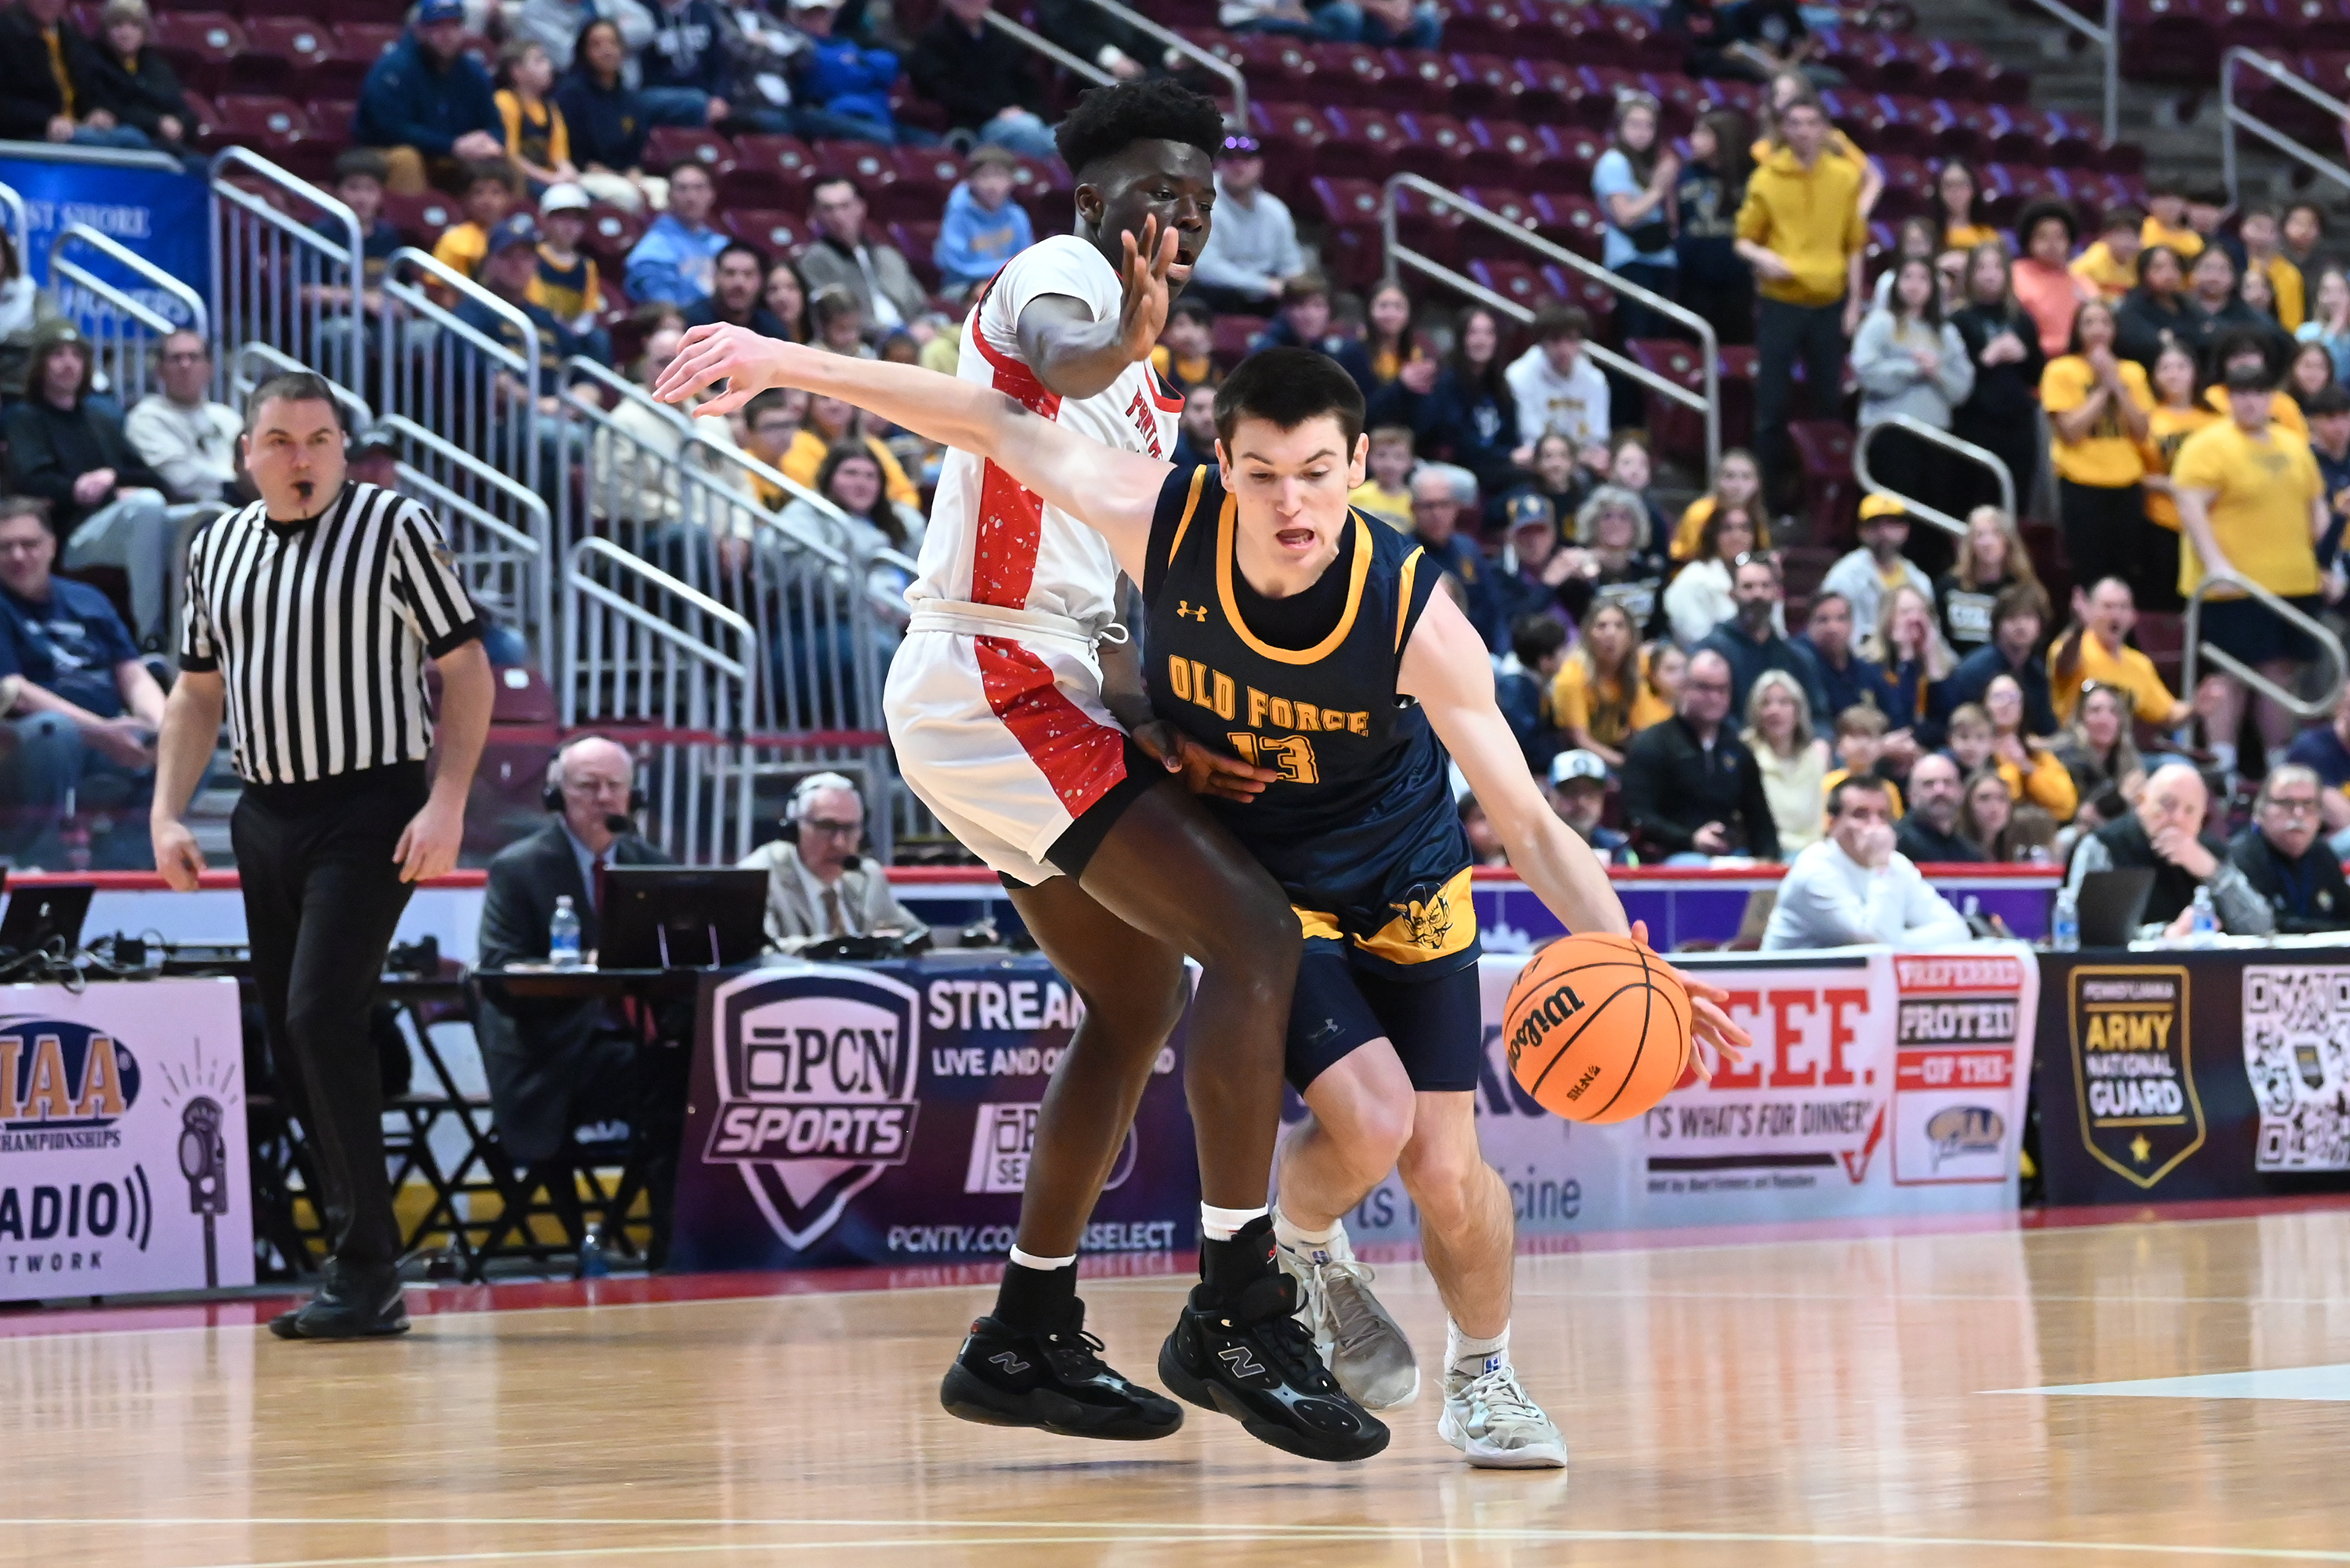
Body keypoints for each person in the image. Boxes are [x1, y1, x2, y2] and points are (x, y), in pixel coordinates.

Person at [660, 317, 1752, 1464]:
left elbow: (1527, 820)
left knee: (1443, 1164)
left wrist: (1637, 959)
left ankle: (1479, 1368)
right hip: (1276, 891)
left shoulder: (1416, 615)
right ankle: (1284, 1252)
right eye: (1265, 474)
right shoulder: (1158, 515)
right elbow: (988, 419)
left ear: (1360, 468)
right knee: (1372, 1120)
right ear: (1220, 465)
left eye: (1319, 475)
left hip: (1410, 877)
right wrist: (788, 364)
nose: (1292, 504)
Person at [658, 82, 1379, 1461]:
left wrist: (1165, 722)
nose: (1181, 218)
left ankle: (1023, 1332)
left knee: (1132, 996)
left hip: (1038, 690)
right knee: (1251, 938)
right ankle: (1237, 1299)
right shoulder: (1066, 282)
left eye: (1202, 201)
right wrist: (1123, 328)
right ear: (1097, 199)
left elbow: (1109, 611)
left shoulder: (1157, 399)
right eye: (1158, 192)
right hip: (988, 677)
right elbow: (1058, 352)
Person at [152, 373, 492, 1339]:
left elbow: (464, 666)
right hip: (265, 814)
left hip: (371, 806)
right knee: (298, 1038)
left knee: (318, 1012)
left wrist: (448, 802)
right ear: (245, 453)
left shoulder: (394, 527)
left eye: (319, 439)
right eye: (280, 441)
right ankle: (356, 1255)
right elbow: (196, 692)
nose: (301, 459)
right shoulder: (214, 546)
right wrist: (167, 814)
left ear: (345, 447)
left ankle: (366, 1266)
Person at [473, 735, 688, 1254]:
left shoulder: (654, 866)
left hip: (639, 1044)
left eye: (615, 786)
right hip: (552, 1054)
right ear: (555, 796)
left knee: (701, 1071)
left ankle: (688, 1238)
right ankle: (670, 1243)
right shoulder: (519, 868)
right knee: (673, 1084)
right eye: (587, 786)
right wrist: (585, 966)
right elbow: (500, 972)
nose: (604, 798)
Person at [2171, 359, 2330, 775]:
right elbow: (2189, 506)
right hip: (2235, 587)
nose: (2251, 402)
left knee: (2278, 673)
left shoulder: (2293, 444)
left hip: (2292, 583)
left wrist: (2328, 564)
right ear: (2229, 398)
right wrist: (2217, 565)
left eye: (2259, 392)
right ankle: (2222, 761)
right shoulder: (2207, 444)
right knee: (2233, 674)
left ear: (2272, 397)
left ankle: (2279, 761)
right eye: (2241, 393)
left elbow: (2316, 506)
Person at [0, 497, 165, 867]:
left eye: (29, 544)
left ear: (52, 546)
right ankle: (39, 860)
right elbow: (15, 693)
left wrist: (161, 725)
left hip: (106, 738)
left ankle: (126, 862)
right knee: (52, 729)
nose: (18, 556)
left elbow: (131, 670)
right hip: (24, 746)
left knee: (185, 743)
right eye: (5, 547)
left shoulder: (87, 598)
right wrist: (104, 732)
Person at [3, 323, 180, 647]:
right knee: (147, 507)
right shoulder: (24, 418)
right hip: (72, 534)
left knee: (203, 516)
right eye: (57, 355)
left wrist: (109, 478)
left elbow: (154, 479)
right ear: (40, 364)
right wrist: (105, 492)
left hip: (122, 520)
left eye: (76, 355)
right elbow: (36, 482)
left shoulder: (103, 418)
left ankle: (199, 637)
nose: (68, 363)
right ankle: (151, 637)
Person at [1737, 96, 1867, 504]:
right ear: (1783, 129)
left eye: (1812, 123)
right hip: (1782, 301)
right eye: (1795, 123)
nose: (1804, 131)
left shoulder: (1846, 177)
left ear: (1825, 129)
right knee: (1772, 404)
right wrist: (1763, 257)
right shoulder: (1766, 178)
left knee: (1827, 404)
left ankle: (1822, 495)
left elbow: (1855, 244)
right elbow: (1743, 240)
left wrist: (1854, 303)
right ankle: (1770, 499)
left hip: (1829, 301)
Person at [2065, 762, 2272, 938]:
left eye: (2190, 810)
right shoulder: (2104, 845)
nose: (2177, 818)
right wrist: (2165, 935)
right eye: (2167, 805)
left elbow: (2261, 928)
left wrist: (2213, 872)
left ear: (2202, 818)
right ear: (2142, 802)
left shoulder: (2210, 852)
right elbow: (2079, 929)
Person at [1762, 774, 1969, 949]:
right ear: (1832, 823)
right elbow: (1875, 945)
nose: (1875, 825)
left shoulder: (1896, 864)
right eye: (1861, 815)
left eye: (1882, 815)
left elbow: (1957, 930)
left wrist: (1895, 941)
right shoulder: (1814, 870)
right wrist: (1880, 867)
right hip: (1788, 988)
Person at [1621, 647, 1780, 862]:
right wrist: (1690, 839)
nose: (1714, 698)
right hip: (1669, 855)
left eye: (1722, 690)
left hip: (1729, 856)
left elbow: (1760, 820)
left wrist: (1769, 860)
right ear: (1684, 688)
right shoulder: (1653, 744)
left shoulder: (1737, 750)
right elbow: (1638, 817)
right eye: (1704, 688)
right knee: (1693, 864)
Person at [737, 771, 927, 948]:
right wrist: (851, 949)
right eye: (826, 827)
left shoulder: (866, 876)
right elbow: (761, 953)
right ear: (794, 830)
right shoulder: (758, 878)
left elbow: (917, 937)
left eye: (850, 828)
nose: (839, 842)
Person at [2043, 298, 2153, 599]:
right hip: (2081, 484)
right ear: (2077, 330)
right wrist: (2104, 387)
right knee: (2088, 572)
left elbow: (2142, 431)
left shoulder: (2133, 372)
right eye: (2089, 323)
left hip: (2127, 484)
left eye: (2105, 322)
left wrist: (2118, 385)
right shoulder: (2061, 370)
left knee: (2126, 572)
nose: (2098, 330)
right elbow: (2070, 433)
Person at [1853, 255, 1975, 511]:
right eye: (1907, 277)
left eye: (1923, 278)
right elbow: (1865, 372)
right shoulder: (1879, 323)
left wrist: (1937, 371)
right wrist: (1912, 369)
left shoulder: (1946, 333)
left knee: (1933, 511)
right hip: (1890, 432)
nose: (1914, 285)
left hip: (1936, 435)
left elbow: (1962, 387)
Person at [352, 0, 506, 197]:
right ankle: (411, 225)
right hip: (384, 151)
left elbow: (493, 123)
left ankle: (505, 226)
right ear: (419, 30)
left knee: (500, 160)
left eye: (454, 26)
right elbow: (390, 128)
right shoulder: (394, 68)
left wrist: (489, 143)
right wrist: (452, 146)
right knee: (406, 159)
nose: (447, 35)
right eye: (438, 27)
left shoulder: (473, 72)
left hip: (450, 152)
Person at [1373, 304, 1521, 500]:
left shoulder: (1500, 386)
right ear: (1461, 339)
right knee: (1469, 482)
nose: (1481, 341)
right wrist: (1506, 457)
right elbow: (1458, 442)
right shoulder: (1445, 382)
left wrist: (1516, 455)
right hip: (1449, 464)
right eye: (1473, 333)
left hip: (1491, 463)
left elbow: (1510, 434)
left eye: (1488, 334)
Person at [1948, 243, 2048, 520]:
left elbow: (2038, 374)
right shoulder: (1959, 319)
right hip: (1975, 422)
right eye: (1981, 268)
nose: (1990, 275)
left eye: (1996, 268)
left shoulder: (2021, 318)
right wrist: (1986, 359)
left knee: (2015, 499)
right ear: (1970, 275)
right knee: (1976, 499)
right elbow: (1953, 377)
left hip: (2017, 423)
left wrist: (2025, 355)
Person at [908, 0, 1058, 160]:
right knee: (1028, 130)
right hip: (973, 127)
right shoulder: (934, 39)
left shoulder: (1004, 36)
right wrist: (997, 112)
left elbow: (1028, 84)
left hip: (1020, 118)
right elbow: (946, 93)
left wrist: (1030, 112)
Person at [1695, 552, 1830, 721]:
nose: (1758, 594)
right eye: (1748, 587)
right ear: (1732, 595)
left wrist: (1821, 742)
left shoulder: (1797, 658)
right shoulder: (1711, 652)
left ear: (1777, 593)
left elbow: (1820, 718)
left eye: (1765, 586)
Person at [2048, 576, 2193, 728]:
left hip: (2117, 749)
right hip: (2074, 746)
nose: (2116, 615)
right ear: (2090, 610)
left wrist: (2197, 707)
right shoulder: (2073, 647)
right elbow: (2065, 664)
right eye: (2108, 606)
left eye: (2123, 607)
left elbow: (2169, 714)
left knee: (2172, 754)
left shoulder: (2139, 663)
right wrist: (2079, 629)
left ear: (2133, 616)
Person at [0, 0, 148, 148]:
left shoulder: (70, 35)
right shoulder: (6, 32)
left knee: (131, 136)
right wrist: (46, 121)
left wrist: (97, 111)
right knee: (131, 141)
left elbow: (95, 85)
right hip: (31, 136)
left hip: (78, 129)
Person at [1593, 92, 1679, 341]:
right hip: (1631, 261)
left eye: (1649, 126)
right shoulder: (1614, 162)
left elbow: (1671, 223)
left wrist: (1667, 188)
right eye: (1634, 124)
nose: (1642, 132)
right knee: (1636, 336)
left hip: (1662, 258)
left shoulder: (1653, 164)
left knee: (1658, 337)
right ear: (1619, 127)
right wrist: (1657, 189)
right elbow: (1625, 216)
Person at [553, 16, 663, 214]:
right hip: (586, 174)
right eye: (597, 45)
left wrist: (634, 175)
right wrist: (617, 177)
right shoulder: (570, 95)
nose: (607, 50)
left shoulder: (630, 98)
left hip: (625, 177)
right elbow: (573, 151)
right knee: (626, 195)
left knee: (663, 193)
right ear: (585, 52)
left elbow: (635, 152)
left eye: (613, 43)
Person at [2135, 340, 2214, 612]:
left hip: (2208, 523)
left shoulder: (2214, 420)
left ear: (2195, 373)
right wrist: (2170, 485)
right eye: (2166, 368)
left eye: (2182, 366)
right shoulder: (2147, 419)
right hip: (2161, 523)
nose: (2174, 374)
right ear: (2155, 376)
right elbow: (2135, 473)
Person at [797, 175, 929, 335]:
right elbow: (837, 321)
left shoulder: (888, 255)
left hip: (912, 337)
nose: (838, 216)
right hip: (867, 344)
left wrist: (928, 326)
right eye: (828, 209)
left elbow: (921, 308)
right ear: (814, 214)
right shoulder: (814, 261)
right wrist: (901, 334)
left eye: (845, 206)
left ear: (861, 207)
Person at [1188, 133, 1303, 316]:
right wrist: (1265, 285)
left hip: (1267, 299)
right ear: (1218, 164)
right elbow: (1204, 268)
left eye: (1247, 159)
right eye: (1230, 160)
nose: (1238, 167)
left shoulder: (1275, 210)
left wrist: (1298, 290)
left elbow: (1291, 267)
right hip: (1213, 295)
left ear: (1260, 165)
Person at [124, 332, 241, 507]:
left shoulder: (228, 417)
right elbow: (182, 479)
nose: (185, 365)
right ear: (160, 370)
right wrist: (242, 485)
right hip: (190, 513)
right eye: (176, 358)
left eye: (194, 357)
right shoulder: (146, 418)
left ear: (210, 368)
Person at [2229, 764, 2350, 931]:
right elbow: (2265, 925)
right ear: (2260, 810)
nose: (2299, 813)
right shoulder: (2243, 856)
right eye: (2286, 803)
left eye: (2309, 804)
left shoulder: (2322, 854)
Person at [1675, 108, 1755, 348]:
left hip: (1737, 281)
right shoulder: (1686, 173)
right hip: (1692, 281)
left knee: (1735, 348)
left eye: (1702, 134)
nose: (1693, 140)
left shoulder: (1751, 175)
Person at [1938, 582, 2059, 742]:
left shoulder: (2036, 671)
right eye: (2012, 617)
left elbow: (2047, 728)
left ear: (2041, 626)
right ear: (1997, 625)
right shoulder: (1975, 671)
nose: (2020, 625)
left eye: (2028, 617)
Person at [1820, 494, 1934, 651]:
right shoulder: (1844, 576)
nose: (1883, 532)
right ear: (1861, 532)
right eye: (1874, 525)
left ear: (1905, 530)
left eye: (1891, 524)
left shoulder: (1919, 580)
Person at [1557, 485, 1669, 638]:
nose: (1615, 523)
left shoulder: (1650, 573)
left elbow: (1660, 628)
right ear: (1593, 523)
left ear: (1636, 526)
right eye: (1607, 516)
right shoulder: (1577, 575)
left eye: (1624, 517)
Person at [84, 0, 193, 157]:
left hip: (166, 145)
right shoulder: (94, 63)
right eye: (118, 25)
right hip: (126, 146)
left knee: (202, 166)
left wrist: (180, 123)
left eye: (135, 25)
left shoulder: (157, 66)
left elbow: (184, 109)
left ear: (145, 31)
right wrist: (158, 122)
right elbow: (114, 109)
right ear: (106, 30)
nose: (126, 33)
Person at [1549, 600, 1646, 768]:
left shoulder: (1634, 672)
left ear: (1631, 636)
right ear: (1587, 634)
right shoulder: (1572, 677)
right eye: (1601, 626)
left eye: (1620, 626)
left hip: (1613, 750)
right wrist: (1628, 765)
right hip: (1575, 759)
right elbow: (1580, 740)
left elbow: (1639, 729)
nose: (1611, 634)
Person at [1932, 504, 2039, 657]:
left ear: (2007, 541)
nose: (1987, 543)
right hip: (1958, 669)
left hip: (2006, 668)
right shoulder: (1949, 586)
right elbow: (1937, 637)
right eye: (1980, 535)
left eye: (1995, 534)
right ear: (1970, 543)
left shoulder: (2022, 588)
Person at [1405, 467, 1496, 642]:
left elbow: (1492, 609)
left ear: (1456, 507)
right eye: (1428, 506)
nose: (1437, 514)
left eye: (1444, 504)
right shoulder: (1400, 555)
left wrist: (1503, 654)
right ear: (1413, 509)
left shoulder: (1468, 548)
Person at [1505, 305, 1609, 457]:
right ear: (1541, 342)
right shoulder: (1519, 376)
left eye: (1571, 339)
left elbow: (1598, 438)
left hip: (1582, 462)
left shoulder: (1595, 380)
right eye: (1556, 340)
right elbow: (1528, 437)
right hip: (1539, 461)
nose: (1564, 349)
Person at [935, 147, 1037, 300]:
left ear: (1012, 180)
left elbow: (1026, 260)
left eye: (1000, 176)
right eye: (984, 176)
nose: (992, 184)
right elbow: (954, 264)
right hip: (962, 286)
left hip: (1006, 282)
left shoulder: (1017, 215)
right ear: (970, 180)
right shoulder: (958, 214)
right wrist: (999, 274)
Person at [1745, 668, 1828, 855]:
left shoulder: (1815, 756)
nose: (1774, 711)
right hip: (1765, 853)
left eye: (1784, 702)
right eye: (1765, 703)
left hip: (1812, 852)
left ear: (1798, 710)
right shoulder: (1745, 754)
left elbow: (1817, 822)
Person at [625, 161, 728, 307]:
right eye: (682, 189)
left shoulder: (722, 245)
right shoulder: (653, 250)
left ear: (712, 194)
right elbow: (664, 311)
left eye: (699, 188)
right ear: (669, 195)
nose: (691, 197)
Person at [1250, 275, 1376, 394]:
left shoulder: (1332, 349)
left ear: (1329, 311)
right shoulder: (1266, 353)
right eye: (1300, 306)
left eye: (1318, 306)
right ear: (1286, 310)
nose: (1310, 315)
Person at [1662, 500, 1761, 649]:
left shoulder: (1763, 576)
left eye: (1745, 528)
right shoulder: (1694, 578)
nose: (1737, 536)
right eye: (1728, 529)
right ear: (1713, 534)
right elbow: (1697, 638)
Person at [1983, 672, 2077, 819]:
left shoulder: (2035, 751)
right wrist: (2012, 770)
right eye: (1998, 697)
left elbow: (2066, 805)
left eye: (2013, 698)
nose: (2006, 703)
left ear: (2023, 706)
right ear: (1985, 704)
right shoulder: (1976, 749)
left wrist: (2027, 768)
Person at [2055, 681, 2147, 829]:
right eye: (2095, 711)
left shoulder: (2127, 758)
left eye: (2113, 711)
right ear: (2081, 718)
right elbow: (2083, 815)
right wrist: (2119, 796)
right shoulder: (2067, 758)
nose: (2105, 720)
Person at [1867, 580, 1950, 739]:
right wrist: (1905, 656)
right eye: (1906, 612)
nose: (1915, 619)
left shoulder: (1944, 668)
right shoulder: (1870, 667)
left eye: (1922, 612)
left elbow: (1947, 724)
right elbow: (1898, 722)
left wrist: (1931, 659)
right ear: (1888, 620)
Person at [1797, 590, 1895, 725]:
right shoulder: (1801, 664)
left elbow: (1892, 715)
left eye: (1841, 618)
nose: (1833, 628)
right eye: (1823, 620)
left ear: (1852, 624)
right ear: (1809, 625)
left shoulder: (1864, 670)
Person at [2010, 201, 2092, 361]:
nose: (2051, 243)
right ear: (2029, 240)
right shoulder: (2014, 276)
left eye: (2060, 236)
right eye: (2042, 236)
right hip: (2031, 363)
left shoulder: (2084, 283)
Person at [431, 161, 522, 284]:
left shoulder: (519, 240)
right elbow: (439, 287)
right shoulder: (453, 239)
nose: (487, 200)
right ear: (466, 198)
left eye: (496, 192)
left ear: (510, 198)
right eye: (478, 192)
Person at [1668, 448, 1766, 562]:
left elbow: (1761, 551)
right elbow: (1691, 557)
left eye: (1746, 477)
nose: (1737, 485)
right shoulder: (1700, 513)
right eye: (1729, 476)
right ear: (1717, 481)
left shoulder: (1757, 514)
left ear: (1758, 483)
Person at [2115, 247, 2204, 370]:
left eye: (2175, 267)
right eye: (2158, 268)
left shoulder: (2186, 303)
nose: (2169, 274)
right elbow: (2145, 344)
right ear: (2143, 272)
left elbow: (2208, 329)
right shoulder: (2132, 308)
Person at [682, 241, 793, 339]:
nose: (739, 283)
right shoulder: (690, 325)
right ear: (715, 277)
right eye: (730, 273)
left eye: (748, 274)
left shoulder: (773, 331)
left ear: (760, 281)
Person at [1893, 751, 1983, 864]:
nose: (1940, 790)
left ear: (1961, 792)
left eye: (1948, 783)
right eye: (1928, 784)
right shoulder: (1895, 846)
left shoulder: (1970, 854)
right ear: (1910, 795)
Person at [1546, 747, 1629, 863]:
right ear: (1550, 797)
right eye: (1571, 792)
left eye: (1590, 793)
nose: (1581, 802)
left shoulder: (1616, 848)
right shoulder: (1530, 846)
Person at [1820, 703, 1902, 818]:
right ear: (1839, 745)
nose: (1863, 745)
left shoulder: (1888, 789)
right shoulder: (1826, 784)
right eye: (1854, 736)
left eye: (1870, 737)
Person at [2070, 205, 2146, 303]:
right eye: (2121, 235)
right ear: (2105, 237)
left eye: (2133, 237)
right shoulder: (2091, 262)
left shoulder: (2142, 261)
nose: (2127, 243)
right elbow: (2072, 281)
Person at [1349, 425, 1415, 533]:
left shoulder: (1414, 500)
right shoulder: (1357, 495)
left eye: (1398, 457)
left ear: (1410, 461)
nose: (1389, 464)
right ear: (1368, 457)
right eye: (1381, 455)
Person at [1932, 161, 2000, 258]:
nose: (1955, 191)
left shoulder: (1989, 236)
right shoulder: (1929, 233)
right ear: (1939, 191)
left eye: (1961, 184)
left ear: (1973, 189)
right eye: (1948, 185)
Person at [2297, 264, 2350, 386]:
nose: (2334, 298)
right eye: (2327, 291)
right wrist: (2334, 330)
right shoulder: (2306, 332)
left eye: (2341, 291)